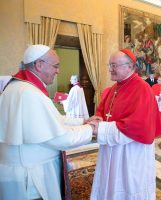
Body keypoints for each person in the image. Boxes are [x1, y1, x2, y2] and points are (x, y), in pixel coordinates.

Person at [0, 44, 97, 200]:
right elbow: (61, 138)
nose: (58, 71)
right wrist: (90, 128)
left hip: (19, 171)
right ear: (39, 65)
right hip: (31, 180)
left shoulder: (17, 87)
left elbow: (53, 119)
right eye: (55, 66)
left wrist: (82, 120)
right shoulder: (30, 94)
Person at [90, 49, 161, 200]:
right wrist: (97, 119)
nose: (110, 69)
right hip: (111, 148)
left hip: (130, 153)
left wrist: (101, 128)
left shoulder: (142, 89)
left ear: (129, 66)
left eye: (114, 65)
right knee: (110, 185)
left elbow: (137, 126)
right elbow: (103, 112)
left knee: (126, 187)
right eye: (110, 65)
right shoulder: (114, 88)